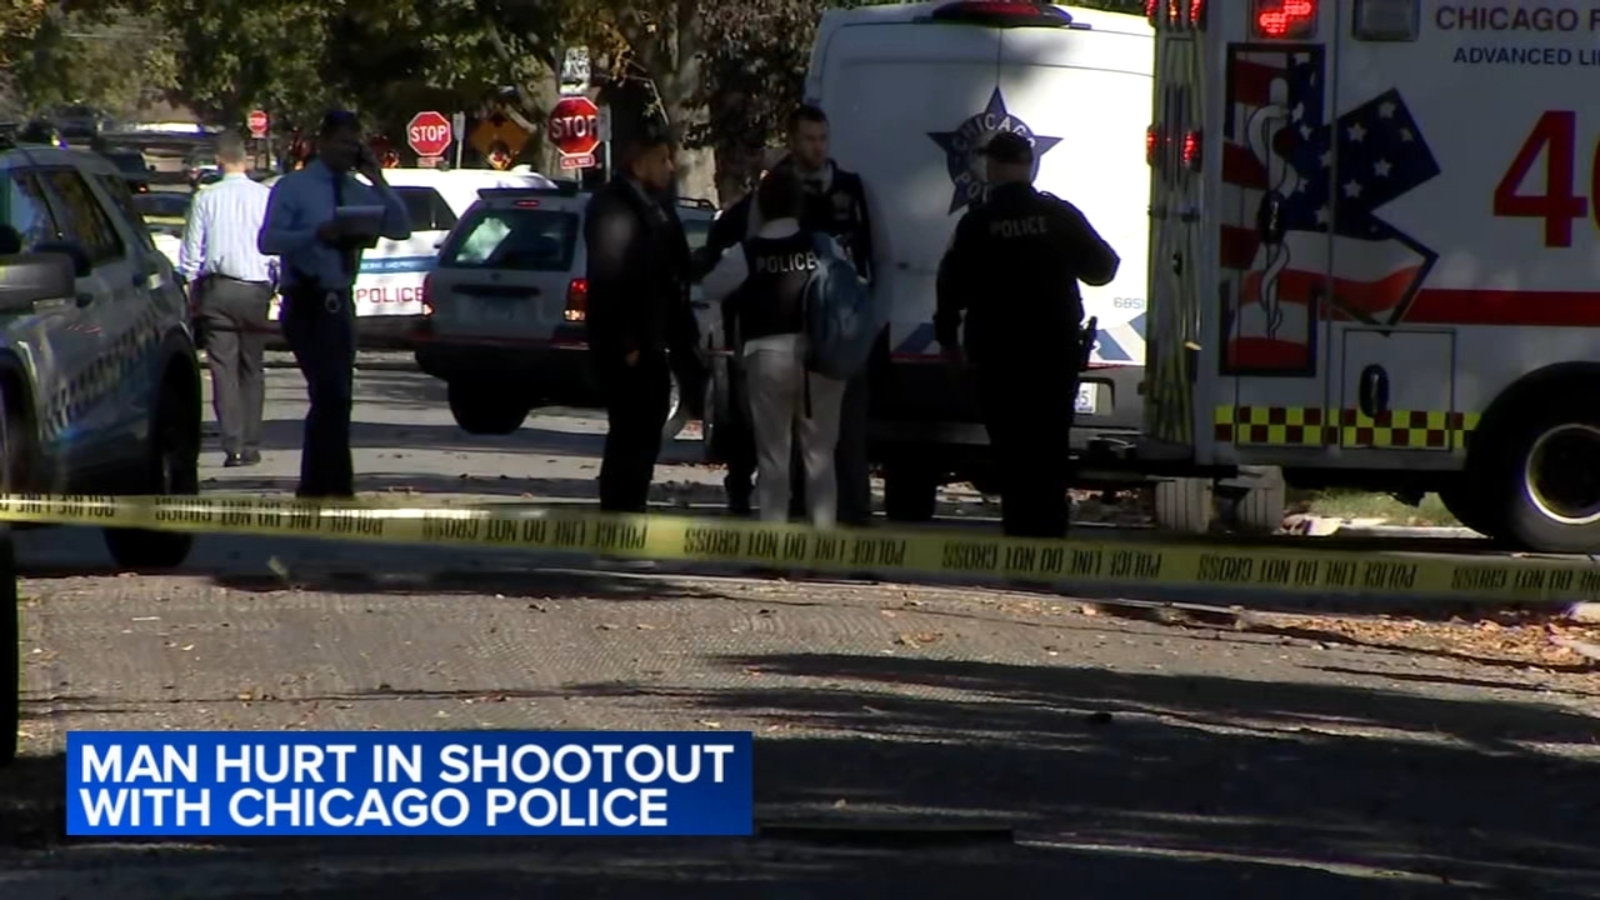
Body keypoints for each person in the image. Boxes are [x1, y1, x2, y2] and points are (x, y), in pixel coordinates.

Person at [934, 131, 1119, 538]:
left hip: (998, 360)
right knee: (1050, 453)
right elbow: (1104, 268)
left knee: (1012, 455)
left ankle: (1020, 542)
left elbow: (950, 289)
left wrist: (949, 344)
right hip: (1053, 358)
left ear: (992, 168)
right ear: (1029, 166)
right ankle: (1049, 540)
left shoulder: (977, 223)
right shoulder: (1059, 216)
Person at [698, 106, 877, 524]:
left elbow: (711, 286)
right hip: (819, 359)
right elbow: (857, 286)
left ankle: (775, 546)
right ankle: (822, 545)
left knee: (774, 459)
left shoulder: (749, 251)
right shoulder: (822, 247)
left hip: (766, 356)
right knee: (820, 458)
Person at [258, 109, 412, 499]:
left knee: (339, 394)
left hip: (340, 300)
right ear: (323, 142)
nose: (348, 150)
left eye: (354, 144)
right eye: (342, 142)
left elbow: (400, 227)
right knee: (328, 392)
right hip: (306, 299)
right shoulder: (294, 187)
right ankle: (319, 483)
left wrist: (377, 178)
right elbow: (268, 241)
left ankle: (333, 482)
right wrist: (316, 233)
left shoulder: (358, 190)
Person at [583, 128, 703, 512]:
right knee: (629, 438)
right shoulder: (614, 207)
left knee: (645, 436)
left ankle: (630, 517)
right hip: (631, 347)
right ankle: (620, 524)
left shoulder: (656, 204)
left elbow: (676, 267)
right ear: (638, 162)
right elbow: (611, 275)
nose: (670, 167)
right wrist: (628, 343)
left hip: (659, 340)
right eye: (662, 159)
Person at [178, 132, 275, 469]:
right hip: (255, 290)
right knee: (253, 367)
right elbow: (275, 247)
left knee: (223, 369)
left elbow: (192, 251)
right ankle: (250, 442)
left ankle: (232, 444)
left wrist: (191, 288)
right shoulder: (265, 197)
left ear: (219, 161)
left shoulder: (206, 198)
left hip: (218, 290)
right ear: (246, 160)